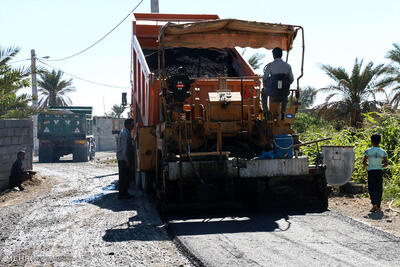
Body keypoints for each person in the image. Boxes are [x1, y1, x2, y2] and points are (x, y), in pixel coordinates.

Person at [262, 47, 294, 120]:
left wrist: (267, 86)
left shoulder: (270, 65)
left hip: (272, 93)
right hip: (284, 93)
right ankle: (283, 113)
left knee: (263, 93)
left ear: (273, 55)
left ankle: (266, 112)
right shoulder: (288, 66)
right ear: (281, 55)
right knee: (284, 96)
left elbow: (264, 78)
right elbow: (291, 79)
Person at [363, 134, 388, 212]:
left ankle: (374, 205)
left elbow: (364, 162)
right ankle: (378, 206)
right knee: (379, 188)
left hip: (371, 171)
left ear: (371, 141)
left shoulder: (368, 151)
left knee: (371, 188)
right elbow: (386, 163)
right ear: (379, 141)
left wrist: (370, 165)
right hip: (379, 171)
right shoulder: (383, 152)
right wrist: (379, 166)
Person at [116, 119, 134, 199]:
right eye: (132, 124)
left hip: (123, 158)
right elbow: (124, 148)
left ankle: (124, 193)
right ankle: (122, 194)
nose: (133, 126)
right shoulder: (124, 133)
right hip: (123, 159)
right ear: (128, 125)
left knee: (125, 177)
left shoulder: (126, 132)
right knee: (123, 177)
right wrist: (126, 160)